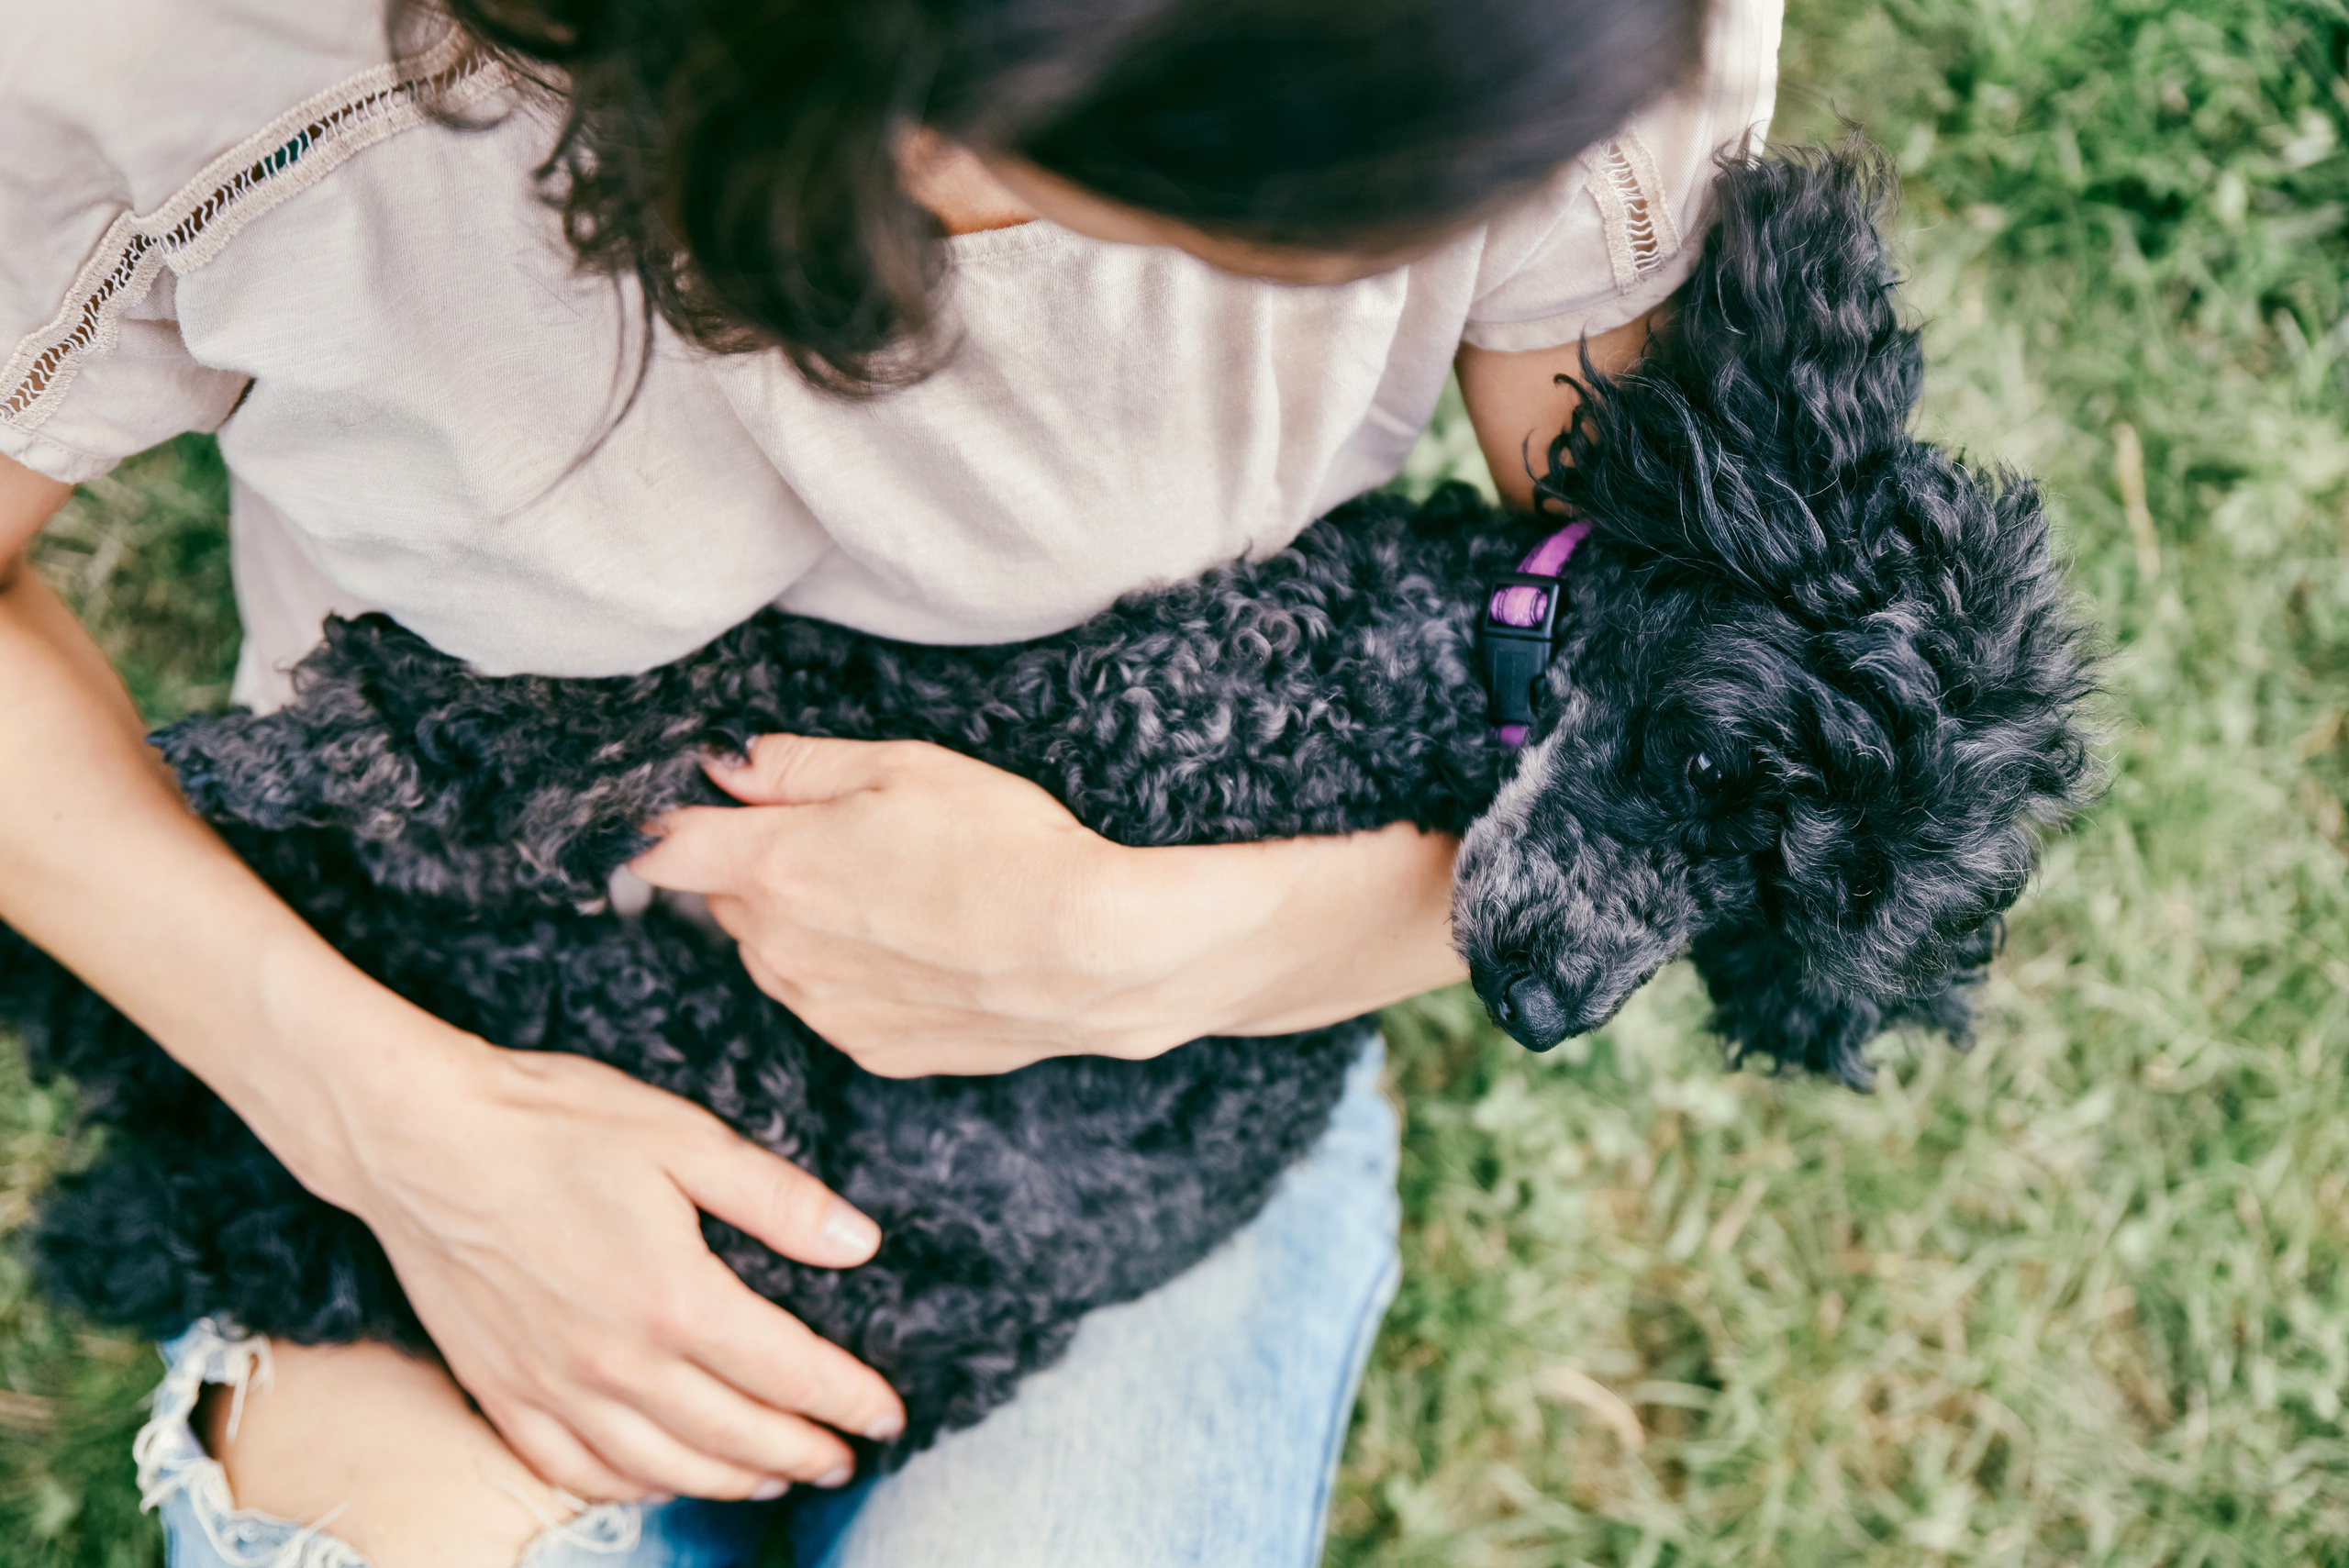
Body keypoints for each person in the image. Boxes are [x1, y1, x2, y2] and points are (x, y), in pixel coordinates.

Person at [0, 0, 1779, 1560]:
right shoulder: (200, 52)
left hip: (1140, 1110)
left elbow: (1748, 703)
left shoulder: (1563, 39)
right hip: (448, 998)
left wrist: (1184, 955)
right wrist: (387, 1124)